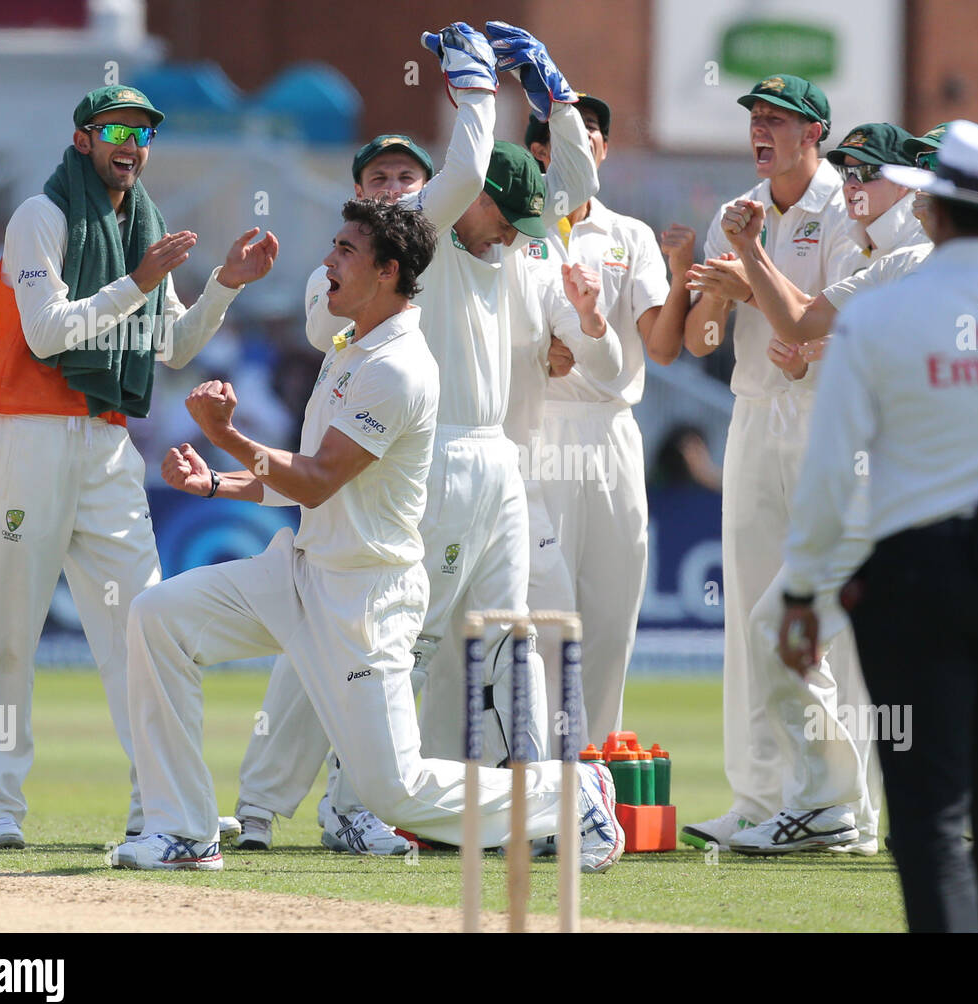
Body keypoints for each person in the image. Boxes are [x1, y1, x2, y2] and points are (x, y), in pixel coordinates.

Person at [108, 199, 624, 873]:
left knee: (396, 791)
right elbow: (306, 481)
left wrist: (227, 437)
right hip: (300, 571)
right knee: (157, 618)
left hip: (364, 597)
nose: (327, 260)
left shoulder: (399, 366)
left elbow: (318, 479)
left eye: (345, 251)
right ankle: (181, 830)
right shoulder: (352, 349)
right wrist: (218, 483)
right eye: (334, 246)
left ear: (386, 271)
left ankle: (569, 792)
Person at [230, 22, 614, 852]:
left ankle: (544, 803)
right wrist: (476, 89)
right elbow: (467, 173)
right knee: (376, 645)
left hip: (492, 467)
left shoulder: (496, 248)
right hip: (400, 466)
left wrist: (553, 94)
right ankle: (343, 801)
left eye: (412, 177)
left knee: (501, 635)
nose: (404, 191)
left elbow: (562, 189)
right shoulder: (397, 256)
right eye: (384, 180)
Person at [778, 47, 978, 931]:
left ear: (932, 202)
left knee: (929, 815)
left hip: (914, 580)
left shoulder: (883, 314)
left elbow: (827, 472)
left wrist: (803, 589)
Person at [0, 84, 278, 850]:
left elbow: (170, 346)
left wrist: (224, 286)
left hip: (106, 442)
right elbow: (45, 335)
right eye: (115, 130)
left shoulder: (144, 224)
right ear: (83, 140)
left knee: (141, 625)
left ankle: (165, 808)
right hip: (26, 435)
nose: (130, 144)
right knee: (6, 629)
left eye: (141, 132)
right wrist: (138, 280)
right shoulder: (42, 216)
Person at [675, 73, 867, 851]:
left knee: (832, 618)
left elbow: (840, 323)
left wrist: (748, 286)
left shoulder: (847, 210)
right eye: (754, 116)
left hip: (827, 420)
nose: (761, 130)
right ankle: (758, 798)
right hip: (754, 415)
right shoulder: (738, 213)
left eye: (777, 119)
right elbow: (696, 345)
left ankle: (849, 806)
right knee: (750, 607)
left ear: (813, 133)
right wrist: (719, 297)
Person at [523, 93, 695, 744]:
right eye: (571, 132)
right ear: (543, 152)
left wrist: (683, 279)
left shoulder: (630, 236)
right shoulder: (519, 231)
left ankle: (591, 776)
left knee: (612, 609)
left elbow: (663, 345)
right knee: (544, 610)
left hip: (614, 430)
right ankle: (537, 776)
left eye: (595, 130)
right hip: (540, 427)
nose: (587, 139)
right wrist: (534, 352)